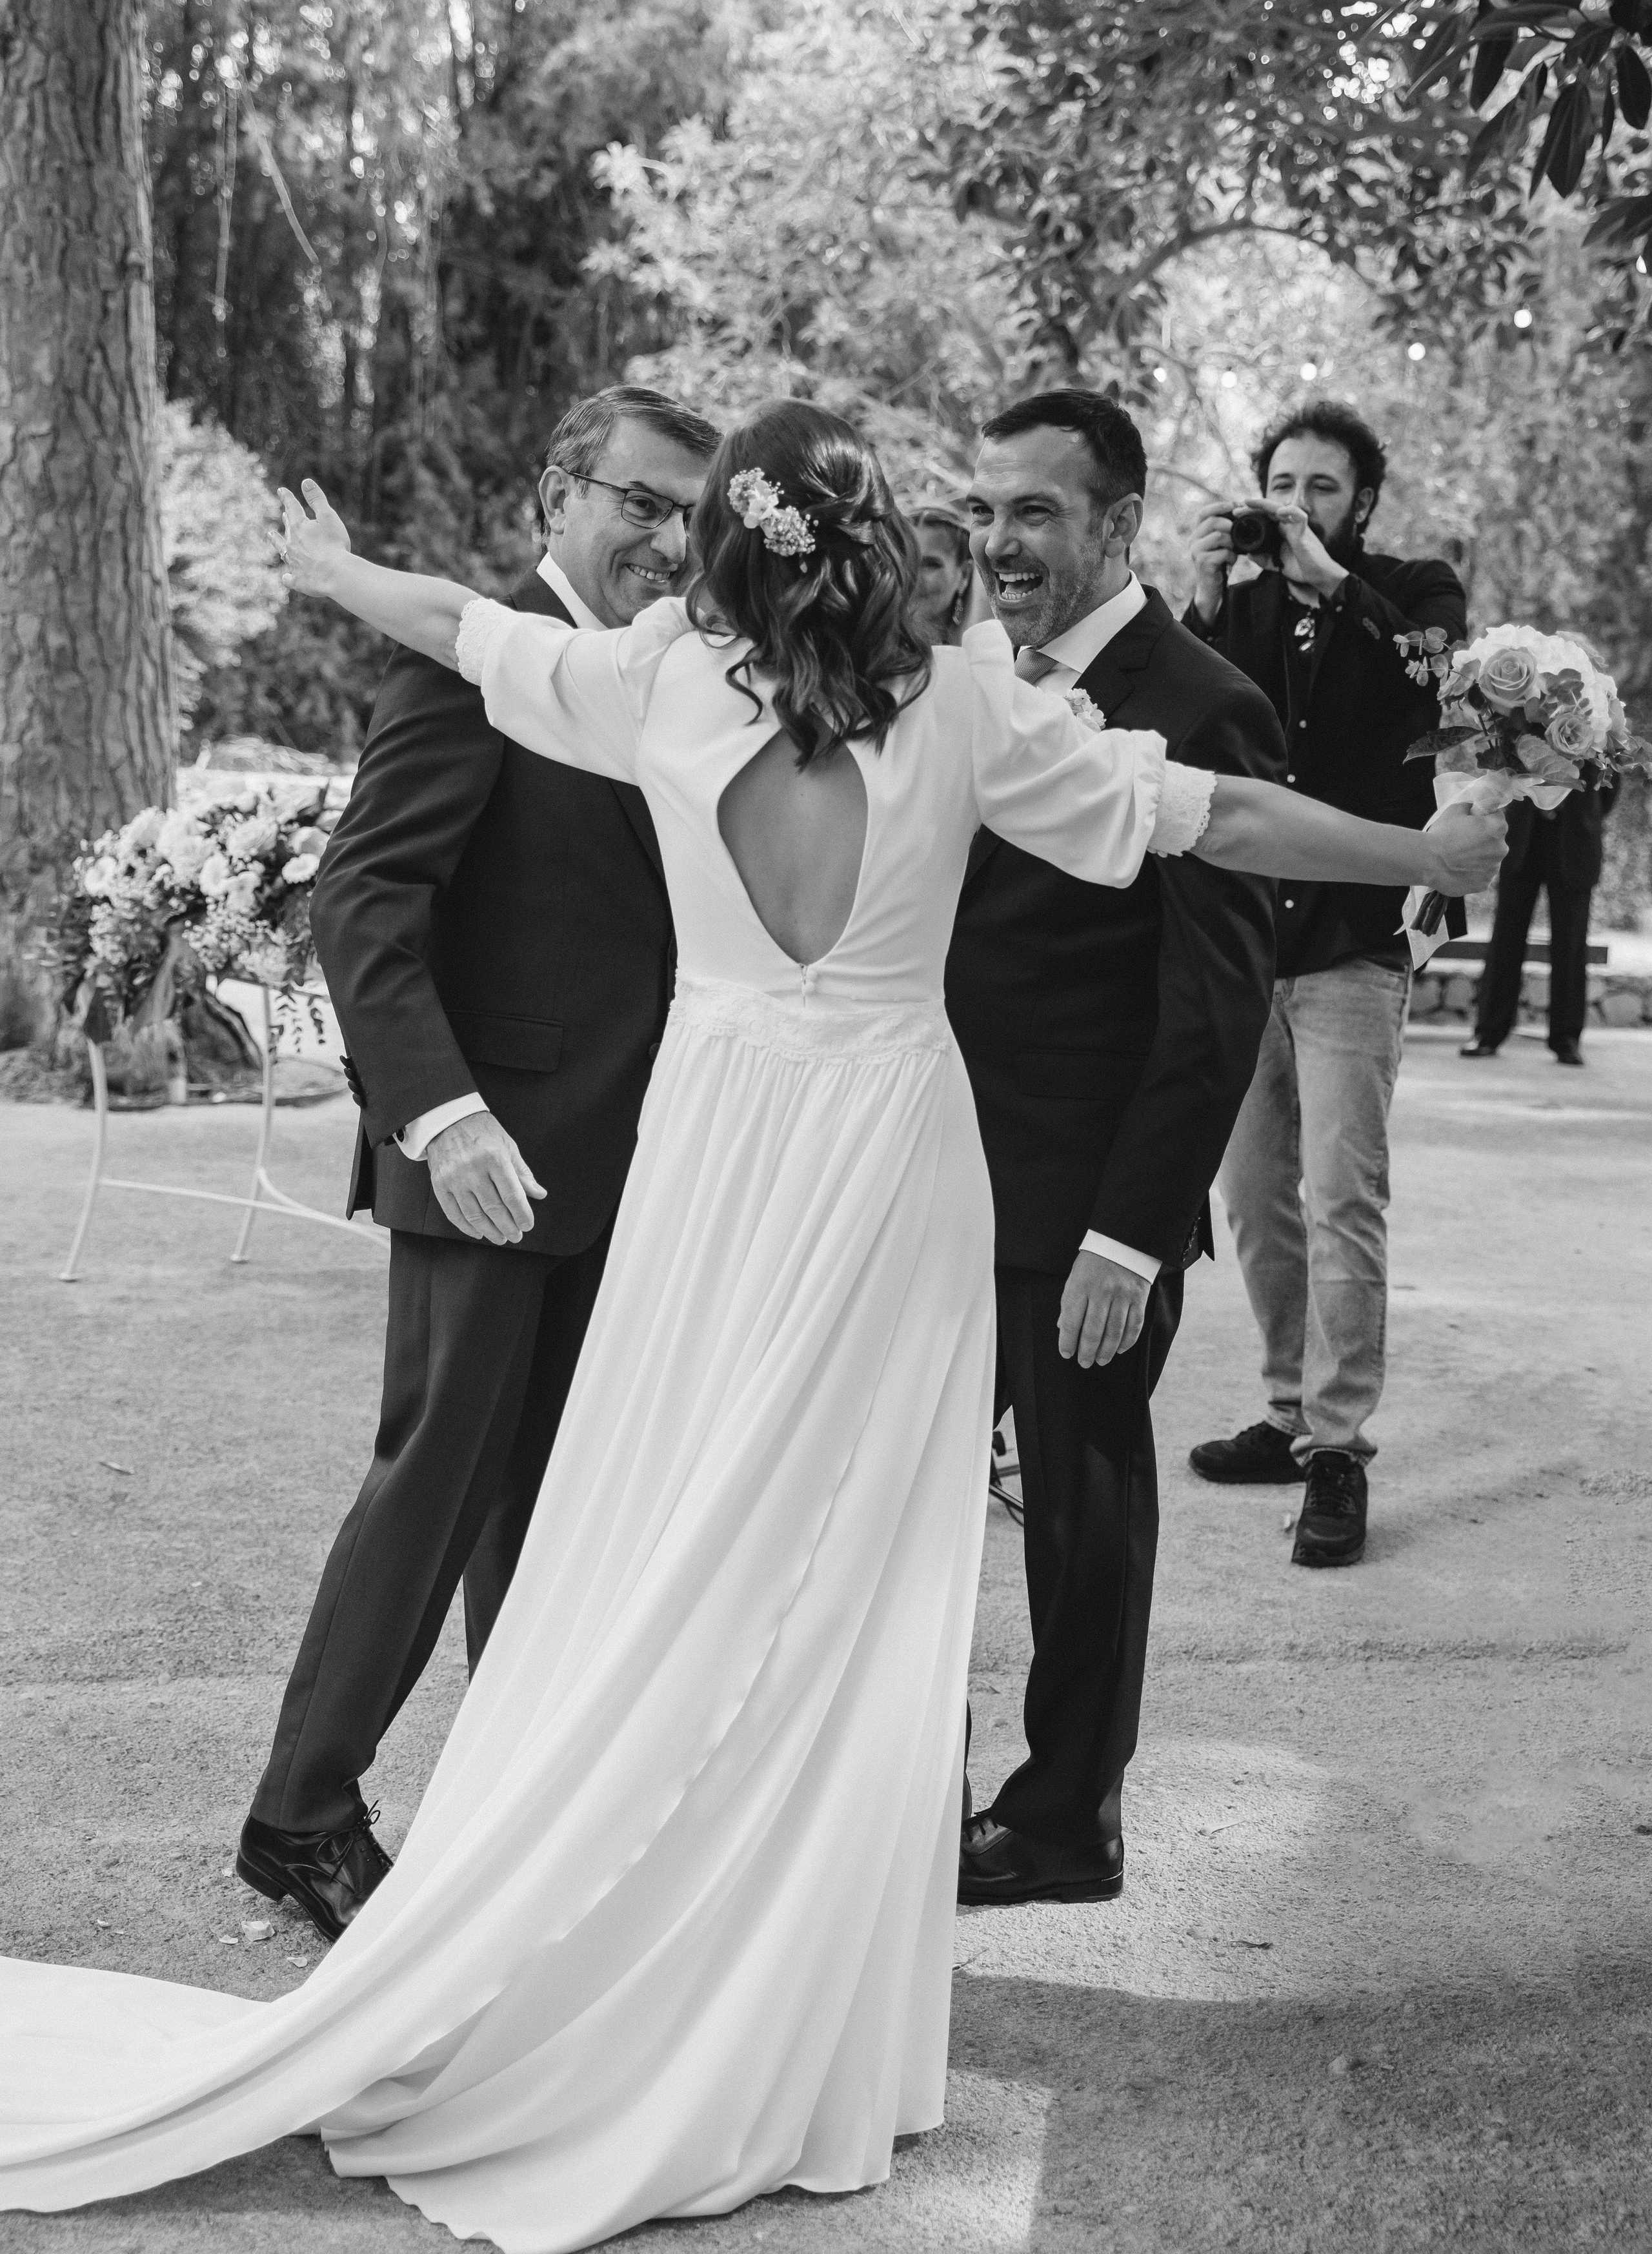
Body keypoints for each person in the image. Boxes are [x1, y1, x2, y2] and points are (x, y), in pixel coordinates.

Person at [0, 401, 1503, 2254]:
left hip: (711, 1161)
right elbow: (1217, 818)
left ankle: (611, 1924)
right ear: (886, 553)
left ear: (731, 548)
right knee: (854, 1575)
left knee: (657, 1532)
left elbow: (462, 629)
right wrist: (1427, 857)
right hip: (890, 1169)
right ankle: (792, 2014)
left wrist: (327, 568)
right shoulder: (968, 710)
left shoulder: (658, 686)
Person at [238, 385, 719, 1944]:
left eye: (686, 514)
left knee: (553, 1503)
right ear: (554, 496)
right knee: (434, 1485)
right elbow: (363, 909)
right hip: (486, 1149)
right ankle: (299, 1810)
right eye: (639, 502)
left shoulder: (661, 679)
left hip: (625, 1162)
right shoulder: (472, 656)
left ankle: (515, 1802)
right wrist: (443, 1119)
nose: (664, 538)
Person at [946, 387, 1285, 1910]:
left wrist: (1126, 1236)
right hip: (930, 1170)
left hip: (1082, 1202)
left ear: (1115, 524)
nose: (997, 540)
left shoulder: (1200, 701)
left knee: (1078, 1515)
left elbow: (1210, 1011)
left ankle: (1062, 1816)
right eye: (983, 508)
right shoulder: (960, 680)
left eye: (1031, 510)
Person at [1182, 398, 1468, 1569]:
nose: (1299, 505)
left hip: (1354, 944)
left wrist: (1331, 584)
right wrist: (1201, 598)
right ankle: (1291, 1410)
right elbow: (1191, 737)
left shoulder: (1412, 590)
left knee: (1342, 1193)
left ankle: (1339, 1452)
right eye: (1283, 484)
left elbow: (1443, 677)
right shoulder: (1235, 609)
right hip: (1250, 947)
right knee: (1254, 1200)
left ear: (1363, 504)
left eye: (1325, 488)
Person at [1462, 783, 1615, 1067]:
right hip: (1522, 837)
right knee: (1505, 939)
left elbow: (1608, 785)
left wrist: (1586, 815)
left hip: (1577, 837)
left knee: (1571, 945)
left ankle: (1566, 1039)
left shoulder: (1603, 734)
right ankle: (1488, 1033)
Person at [908, 498, 978, 644]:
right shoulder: (862, 647)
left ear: (964, 574)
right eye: (904, 561)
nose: (912, 576)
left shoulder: (978, 656)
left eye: (931, 565)